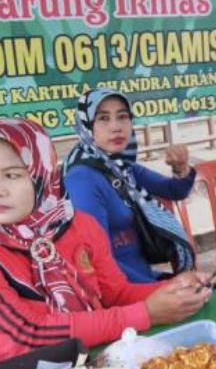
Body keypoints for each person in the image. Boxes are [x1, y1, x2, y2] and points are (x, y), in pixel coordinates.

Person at [0, 118, 211, 369]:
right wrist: (145, 313)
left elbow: (115, 292)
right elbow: (23, 338)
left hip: (93, 363)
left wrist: (174, 289)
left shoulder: (76, 226)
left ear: (45, 174)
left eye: (12, 175)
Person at [63, 89, 196, 283]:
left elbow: (174, 190)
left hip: (143, 280)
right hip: (120, 295)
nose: (116, 127)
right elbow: (98, 261)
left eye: (123, 116)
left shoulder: (121, 168)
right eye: (103, 118)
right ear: (86, 125)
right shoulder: (82, 179)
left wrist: (181, 168)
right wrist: (162, 289)